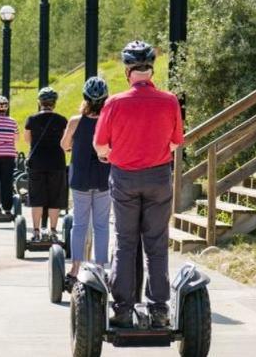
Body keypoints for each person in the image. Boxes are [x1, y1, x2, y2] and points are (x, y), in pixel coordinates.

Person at [94, 41, 184, 329]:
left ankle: (122, 308)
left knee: (125, 242)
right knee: (156, 243)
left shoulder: (114, 103)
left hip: (125, 178)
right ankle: (159, 309)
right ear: (151, 69)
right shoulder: (169, 100)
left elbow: (100, 145)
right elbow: (176, 142)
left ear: (127, 70)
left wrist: (110, 154)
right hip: (158, 178)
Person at [60, 77, 111, 287]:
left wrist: (74, 144)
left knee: (80, 225)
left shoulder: (75, 121)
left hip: (80, 178)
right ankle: (100, 268)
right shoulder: (109, 121)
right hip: (103, 178)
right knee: (101, 226)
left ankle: (74, 269)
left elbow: (64, 145)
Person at [23, 87, 68, 241]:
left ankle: (36, 231)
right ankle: (53, 231)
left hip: (37, 163)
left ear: (39, 102)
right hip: (56, 162)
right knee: (55, 197)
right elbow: (65, 143)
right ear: (54, 103)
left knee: (36, 197)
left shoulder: (31, 119)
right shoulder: (62, 120)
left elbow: (27, 140)